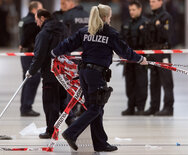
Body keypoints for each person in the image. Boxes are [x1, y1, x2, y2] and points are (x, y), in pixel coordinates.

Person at [51, 4, 148, 152]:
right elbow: (125, 51)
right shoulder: (110, 33)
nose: (110, 18)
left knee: (96, 108)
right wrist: (140, 59)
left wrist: (53, 52)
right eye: (109, 16)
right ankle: (71, 133)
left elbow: (68, 44)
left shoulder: (85, 31)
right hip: (96, 75)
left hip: (83, 72)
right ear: (105, 17)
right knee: (96, 108)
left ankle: (100, 143)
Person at [26, 9, 73, 139]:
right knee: (63, 100)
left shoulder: (44, 34)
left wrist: (31, 71)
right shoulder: (63, 28)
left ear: (42, 18)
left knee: (50, 102)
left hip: (50, 73)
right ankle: (73, 123)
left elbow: (39, 55)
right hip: (64, 71)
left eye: (37, 20)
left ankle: (51, 130)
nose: (36, 24)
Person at [143, 0, 174, 116]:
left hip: (163, 52)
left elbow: (168, 36)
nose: (151, 3)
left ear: (161, 2)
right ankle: (154, 107)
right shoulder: (151, 17)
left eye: (154, 1)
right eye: (150, 1)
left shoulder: (166, 17)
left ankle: (168, 107)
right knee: (154, 81)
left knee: (167, 81)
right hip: (153, 52)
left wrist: (159, 26)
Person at [120, 0, 148, 116]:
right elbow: (121, 40)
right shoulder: (126, 23)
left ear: (140, 9)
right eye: (130, 10)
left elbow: (148, 41)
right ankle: (130, 107)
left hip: (141, 58)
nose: (131, 12)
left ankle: (140, 108)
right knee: (129, 83)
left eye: (133, 10)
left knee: (141, 83)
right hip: (129, 59)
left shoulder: (146, 23)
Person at [18, 1, 42, 117]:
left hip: (24, 53)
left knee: (26, 80)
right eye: (41, 8)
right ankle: (26, 107)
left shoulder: (23, 19)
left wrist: (21, 44)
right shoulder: (32, 22)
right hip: (30, 53)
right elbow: (27, 38)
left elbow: (22, 38)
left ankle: (25, 106)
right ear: (35, 9)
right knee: (32, 79)